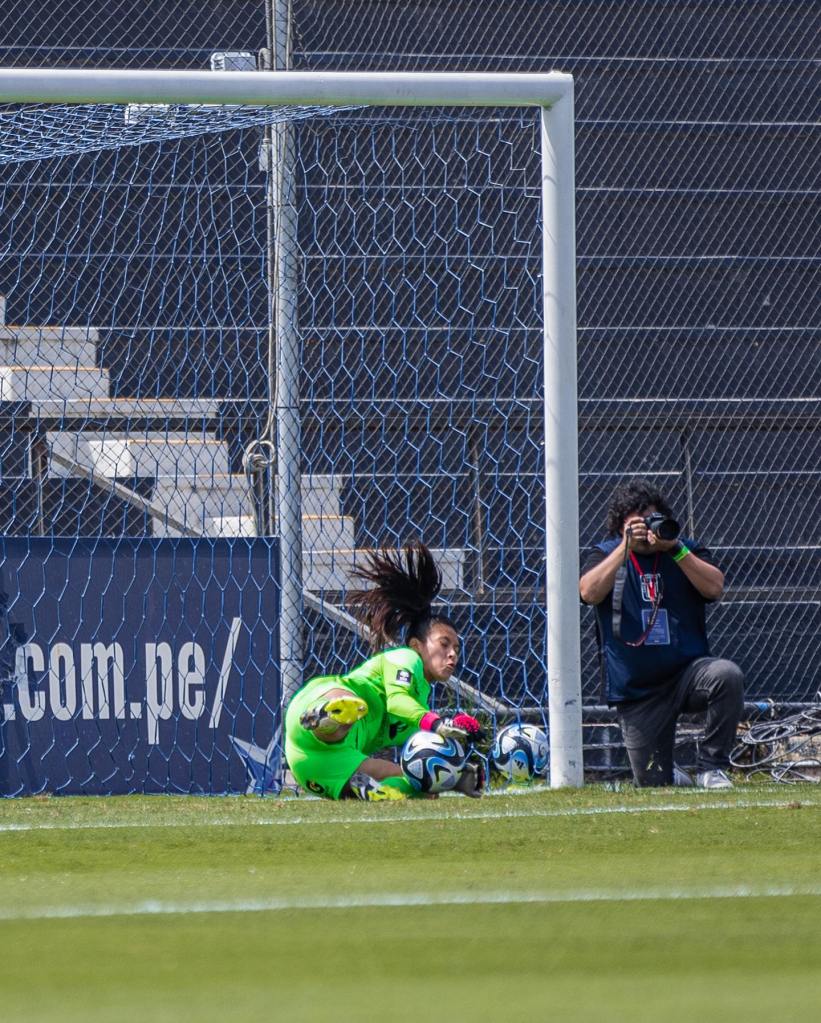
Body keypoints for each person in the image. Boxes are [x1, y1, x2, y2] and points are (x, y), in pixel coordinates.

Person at [284, 541, 484, 801]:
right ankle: (326, 715)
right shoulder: (405, 657)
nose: (452, 654)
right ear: (416, 645)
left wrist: (455, 776)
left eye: (457, 648)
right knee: (352, 709)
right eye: (444, 644)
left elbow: (423, 758)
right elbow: (398, 701)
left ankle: (367, 788)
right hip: (310, 717)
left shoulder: (420, 701)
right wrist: (437, 723)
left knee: (419, 788)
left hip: (321, 767)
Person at [579, 478, 744, 789]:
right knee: (654, 781)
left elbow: (715, 587)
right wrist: (625, 548)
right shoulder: (605, 553)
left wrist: (676, 549)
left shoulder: (684, 551)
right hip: (639, 689)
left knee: (727, 675)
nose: (647, 529)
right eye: (637, 523)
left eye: (652, 519)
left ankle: (712, 767)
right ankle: (669, 769)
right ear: (621, 526)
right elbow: (588, 592)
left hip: (687, 674)